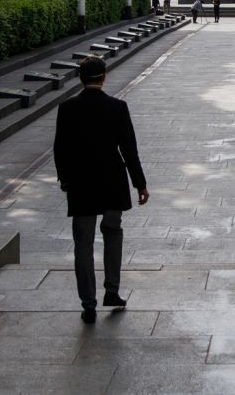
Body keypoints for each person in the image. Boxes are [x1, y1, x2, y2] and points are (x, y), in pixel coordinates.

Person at [53, 55, 150, 324]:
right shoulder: (117, 107)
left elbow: (61, 150)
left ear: (81, 78)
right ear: (104, 76)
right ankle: (112, 291)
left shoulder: (67, 108)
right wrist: (139, 184)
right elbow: (129, 150)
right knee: (113, 232)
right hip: (112, 181)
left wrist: (65, 180)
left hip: (81, 184)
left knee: (82, 244)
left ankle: (88, 303)